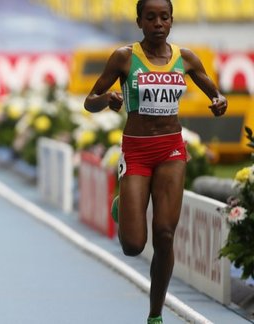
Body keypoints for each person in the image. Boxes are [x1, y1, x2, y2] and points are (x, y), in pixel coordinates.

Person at [83, 0, 227, 323]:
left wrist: (218, 101)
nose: (158, 23)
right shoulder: (124, 58)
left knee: (164, 234)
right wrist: (107, 99)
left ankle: (155, 314)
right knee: (134, 245)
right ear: (139, 22)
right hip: (136, 151)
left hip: (171, 151)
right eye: (151, 18)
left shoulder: (185, 58)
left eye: (164, 17)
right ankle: (123, 202)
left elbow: (215, 93)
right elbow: (89, 101)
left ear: (172, 21)